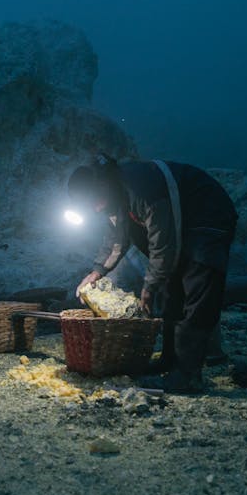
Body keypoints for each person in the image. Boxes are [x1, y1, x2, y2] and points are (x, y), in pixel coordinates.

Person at [68, 154, 238, 393]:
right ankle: (170, 361)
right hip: (181, 224)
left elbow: (163, 242)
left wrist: (150, 285)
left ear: (102, 185)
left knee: (197, 290)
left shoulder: (142, 189)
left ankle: (187, 375)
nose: (96, 209)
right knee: (171, 294)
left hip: (206, 216)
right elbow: (117, 239)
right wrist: (97, 272)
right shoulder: (116, 197)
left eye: (94, 201)